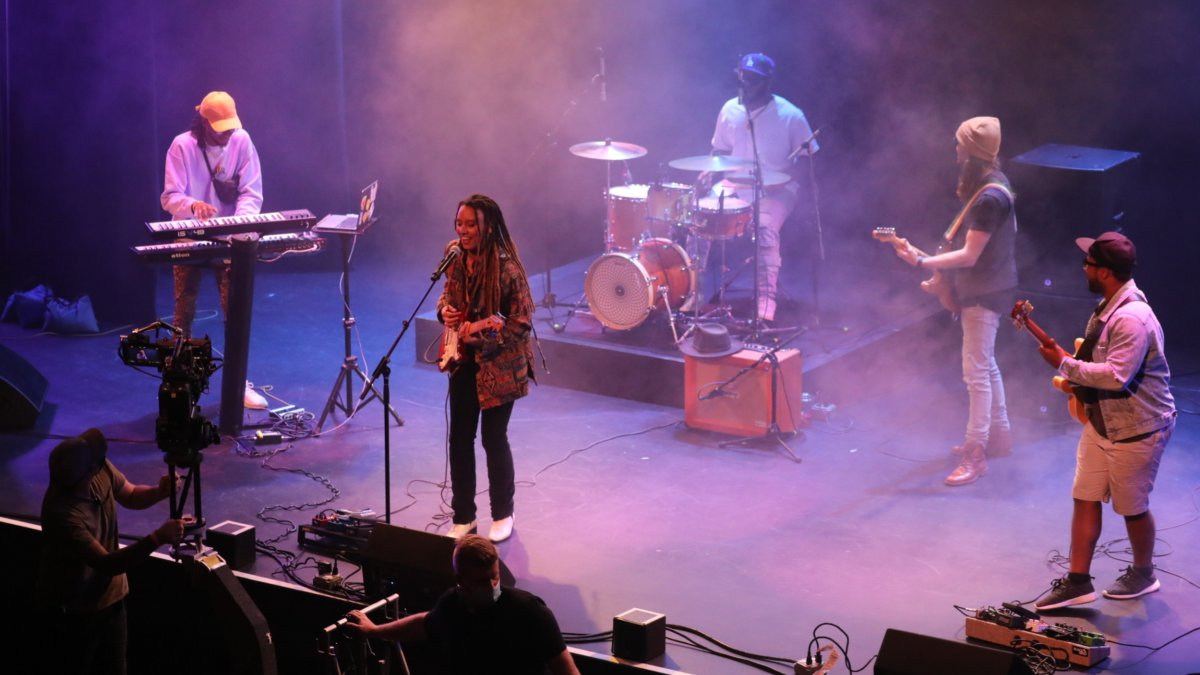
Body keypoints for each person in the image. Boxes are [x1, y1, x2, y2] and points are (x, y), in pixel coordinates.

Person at [1032, 232, 1176, 611]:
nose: (1084, 269)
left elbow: (1116, 376)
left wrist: (1064, 364)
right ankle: (1078, 581)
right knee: (1085, 497)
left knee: (1132, 507)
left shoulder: (1132, 318)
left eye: (1090, 264)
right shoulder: (1108, 306)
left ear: (1107, 272)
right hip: (1102, 424)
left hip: (1137, 429)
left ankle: (1144, 573)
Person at [893, 116, 1017, 486]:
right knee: (986, 365)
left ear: (973, 152)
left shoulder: (989, 199)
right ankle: (1000, 434)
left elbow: (969, 255)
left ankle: (975, 451)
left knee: (975, 373)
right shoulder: (992, 188)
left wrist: (923, 261)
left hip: (985, 290)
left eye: (960, 144)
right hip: (990, 286)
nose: (955, 149)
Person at [35, 429, 185, 675]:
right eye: (96, 461)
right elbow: (107, 564)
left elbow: (132, 494)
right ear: (87, 472)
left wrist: (159, 492)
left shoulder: (100, 470)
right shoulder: (63, 515)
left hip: (112, 602)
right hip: (75, 614)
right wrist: (158, 537)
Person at [436, 194, 535, 543]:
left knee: (494, 439)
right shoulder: (455, 256)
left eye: (470, 224)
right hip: (463, 360)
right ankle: (463, 517)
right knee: (459, 438)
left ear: (487, 226)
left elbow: (521, 321)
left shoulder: (507, 268)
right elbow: (447, 296)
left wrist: (487, 340)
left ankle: (503, 513)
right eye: (459, 223)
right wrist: (445, 311)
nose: (463, 230)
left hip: (500, 367)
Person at [160, 90, 267, 409]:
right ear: (204, 122)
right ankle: (178, 379)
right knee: (185, 309)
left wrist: (238, 224)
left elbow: (252, 191)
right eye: (221, 128)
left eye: (230, 127)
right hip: (190, 234)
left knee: (234, 310)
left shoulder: (242, 140)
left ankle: (237, 381)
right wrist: (194, 205)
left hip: (229, 238)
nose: (227, 134)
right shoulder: (182, 145)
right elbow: (170, 197)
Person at [346, 534, 580, 675]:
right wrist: (374, 631)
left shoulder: (530, 612)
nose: (491, 585)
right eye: (480, 580)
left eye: (494, 576)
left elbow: (567, 671)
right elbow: (422, 624)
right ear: (460, 580)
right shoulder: (450, 607)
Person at [709, 52, 819, 323]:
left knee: (764, 228)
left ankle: (766, 300)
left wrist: (778, 182)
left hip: (777, 190)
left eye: (753, 80)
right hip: (734, 183)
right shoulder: (729, 109)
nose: (745, 84)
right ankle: (697, 291)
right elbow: (718, 150)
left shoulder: (791, 115)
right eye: (742, 78)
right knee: (698, 217)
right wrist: (707, 170)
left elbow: (807, 162)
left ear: (767, 83)